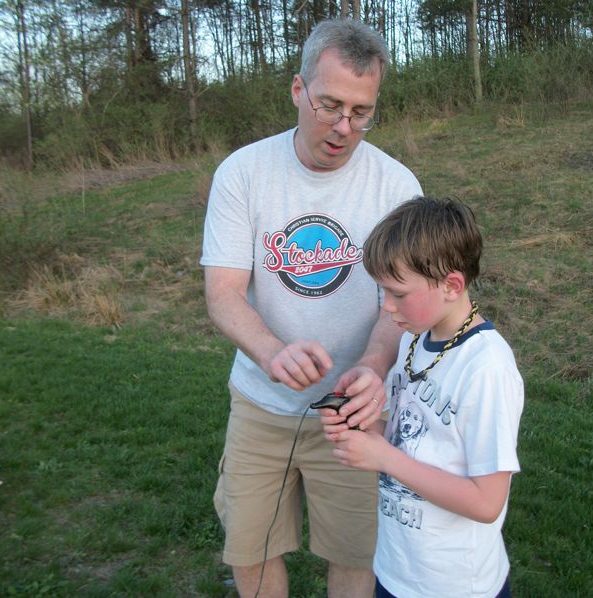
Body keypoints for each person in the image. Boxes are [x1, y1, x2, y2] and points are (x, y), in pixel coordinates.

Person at [200, 18, 423, 598]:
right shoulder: (243, 173)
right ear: (298, 90)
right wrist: (273, 353)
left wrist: (373, 365)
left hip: (353, 411)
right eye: (330, 106)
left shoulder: (397, 187)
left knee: (355, 555)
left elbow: (399, 305)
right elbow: (222, 292)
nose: (344, 127)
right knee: (251, 550)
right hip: (261, 402)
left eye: (362, 112)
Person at [321, 196, 524, 598]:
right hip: (397, 570)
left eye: (398, 293)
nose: (387, 307)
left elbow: (486, 503)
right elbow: (417, 440)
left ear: (451, 285)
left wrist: (383, 458)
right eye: (383, 292)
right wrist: (361, 427)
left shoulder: (486, 367)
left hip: (455, 586)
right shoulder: (415, 340)